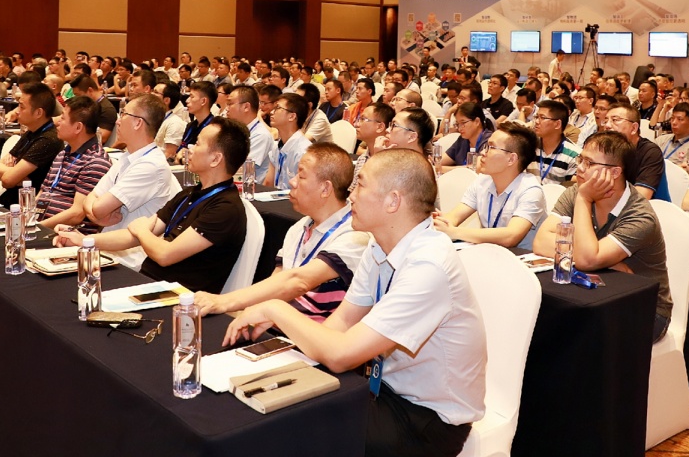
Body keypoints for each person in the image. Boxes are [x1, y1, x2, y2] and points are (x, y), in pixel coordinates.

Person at [224, 149, 486, 457]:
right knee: (273, 410)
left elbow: (341, 355)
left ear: (393, 201)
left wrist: (275, 309)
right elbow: (342, 323)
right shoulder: (379, 244)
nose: (350, 196)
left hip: (426, 418)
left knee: (295, 430)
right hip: (380, 389)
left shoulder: (429, 266)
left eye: (360, 185)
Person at [58, 116, 246, 291]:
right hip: (149, 281)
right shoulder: (190, 194)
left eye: (197, 144)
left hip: (178, 297)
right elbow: (131, 236)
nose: (189, 148)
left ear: (215, 159)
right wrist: (84, 240)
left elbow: (165, 254)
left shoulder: (225, 209)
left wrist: (142, 231)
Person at [196, 143, 367, 318]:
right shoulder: (299, 227)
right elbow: (278, 279)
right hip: (280, 322)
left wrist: (223, 301)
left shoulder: (354, 236)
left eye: (301, 176)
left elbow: (297, 281)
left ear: (325, 189)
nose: (292, 182)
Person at [533, 132, 673, 342]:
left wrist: (584, 200)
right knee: (542, 323)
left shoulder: (640, 216)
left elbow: (586, 260)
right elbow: (540, 241)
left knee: (568, 338)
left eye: (589, 163)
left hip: (645, 311)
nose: (580, 168)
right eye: (580, 159)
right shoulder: (576, 191)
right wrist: (604, 261)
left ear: (615, 172)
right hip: (595, 294)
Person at [54, 93, 180, 269]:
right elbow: (90, 199)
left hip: (130, 263)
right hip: (106, 252)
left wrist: (98, 213)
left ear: (138, 122)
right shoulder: (128, 156)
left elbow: (97, 208)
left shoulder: (151, 165)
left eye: (124, 114)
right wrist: (99, 214)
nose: (118, 121)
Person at [434, 122, 547, 249]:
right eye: (486, 146)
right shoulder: (482, 181)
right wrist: (441, 223)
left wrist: (454, 232)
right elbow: (454, 217)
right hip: (489, 252)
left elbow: (511, 236)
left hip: (521, 256)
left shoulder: (531, 190)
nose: (482, 152)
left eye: (491, 147)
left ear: (511, 159)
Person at [34, 95, 114, 230]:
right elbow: (43, 191)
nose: (57, 122)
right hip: (41, 227)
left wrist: (36, 227)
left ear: (78, 127)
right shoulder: (63, 154)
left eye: (63, 118)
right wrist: (28, 219)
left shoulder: (96, 162)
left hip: (66, 234)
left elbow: (77, 214)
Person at [0, 82, 63, 207]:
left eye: (22, 107)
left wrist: (13, 175)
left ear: (38, 113)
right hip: (10, 201)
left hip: (26, 207)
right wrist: (18, 175)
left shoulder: (48, 140)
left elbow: (8, 180)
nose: (17, 112)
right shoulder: (32, 131)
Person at [605, 103, 670, 202]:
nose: (607, 125)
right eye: (606, 120)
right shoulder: (607, 149)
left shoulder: (650, 152)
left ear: (634, 128)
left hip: (649, 209)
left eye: (615, 120)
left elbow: (640, 198)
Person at [226, 85, 277, 181]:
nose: (226, 108)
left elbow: (243, 172)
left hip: (249, 187)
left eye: (230, 104)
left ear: (246, 107)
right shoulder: (235, 130)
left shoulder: (261, 135)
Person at [531, 99, 581, 184]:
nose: (536, 121)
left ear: (557, 124)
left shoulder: (574, 155)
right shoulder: (529, 147)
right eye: (536, 117)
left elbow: (571, 187)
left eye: (542, 117)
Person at [271, 93, 311, 190]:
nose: (271, 112)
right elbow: (268, 182)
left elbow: (304, 191)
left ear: (292, 117)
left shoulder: (303, 152)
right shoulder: (277, 146)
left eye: (277, 108)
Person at [656, 102, 689, 177]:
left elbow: (686, 173)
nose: (674, 122)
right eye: (672, 118)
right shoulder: (660, 140)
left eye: (680, 119)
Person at [439, 101, 492, 170]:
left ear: (477, 121)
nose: (459, 128)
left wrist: (441, 169)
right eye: (457, 124)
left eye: (463, 123)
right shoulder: (462, 139)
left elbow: (475, 168)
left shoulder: (489, 140)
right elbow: (441, 161)